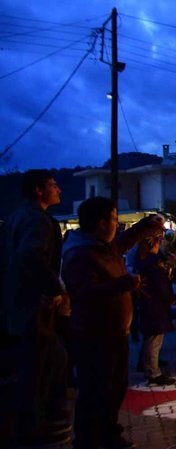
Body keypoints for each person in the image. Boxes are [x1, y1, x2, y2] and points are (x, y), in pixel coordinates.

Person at [62, 197, 164, 449]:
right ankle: (88, 440)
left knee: (115, 387)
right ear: (100, 223)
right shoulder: (81, 254)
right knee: (96, 390)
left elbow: (121, 244)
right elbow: (84, 292)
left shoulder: (100, 247)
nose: (117, 226)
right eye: (114, 220)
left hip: (115, 333)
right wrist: (123, 284)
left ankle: (109, 433)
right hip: (94, 335)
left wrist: (144, 226)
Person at [0, 170, 71, 445]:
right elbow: (30, 256)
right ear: (39, 190)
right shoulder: (37, 221)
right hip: (33, 310)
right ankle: (34, 428)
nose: (59, 190)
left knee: (46, 362)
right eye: (53, 185)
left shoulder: (17, 217)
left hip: (18, 307)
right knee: (41, 367)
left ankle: (36, 424)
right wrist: (53, 288)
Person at [132, 233, 175, 386]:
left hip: (149, 306)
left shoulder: (144, 262)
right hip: (155, 308)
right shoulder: (153, 266)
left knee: (150, 339)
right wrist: (170, 298)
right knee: (154, 340)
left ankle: (148, 366)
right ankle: (153, 372)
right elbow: (161, 287)